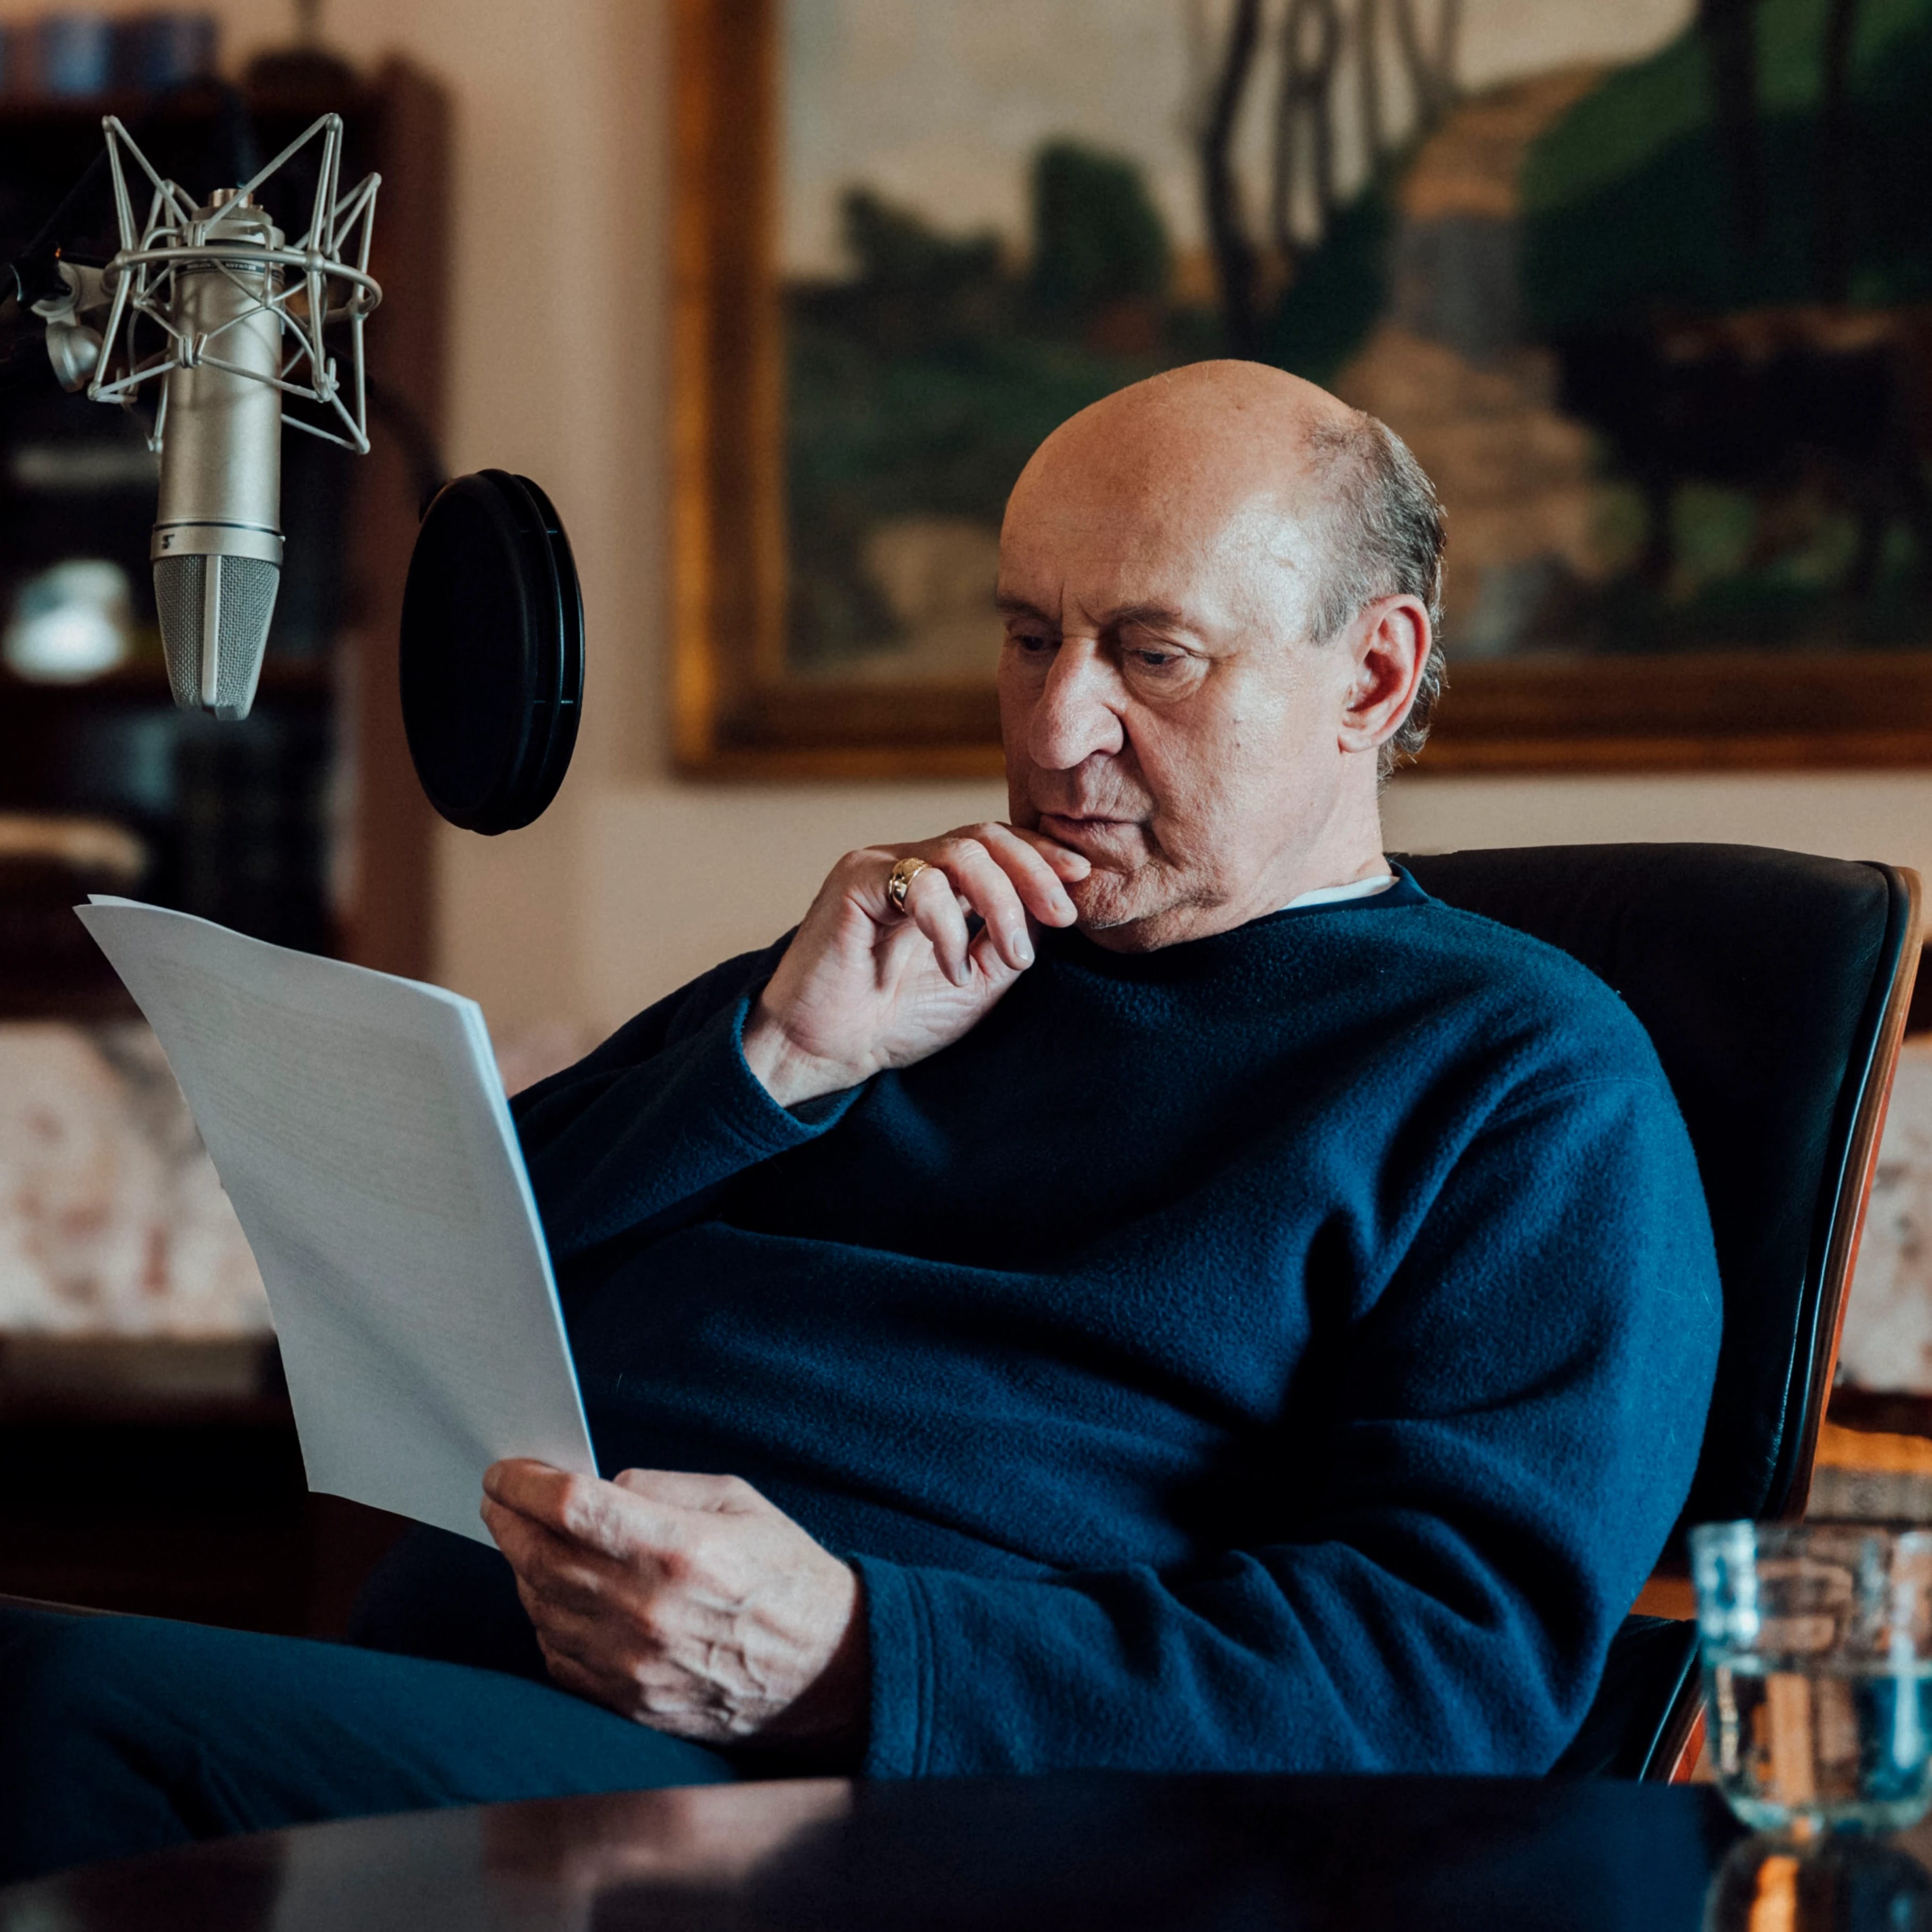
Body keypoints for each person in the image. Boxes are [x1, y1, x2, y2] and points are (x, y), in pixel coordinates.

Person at [0, 361, 1721, 1880]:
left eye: (1152, 653)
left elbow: (1444, 1679)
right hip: (467, 1689)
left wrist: (855, 1651)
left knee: (47, 1704)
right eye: (1028, 633)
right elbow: (419, 1279)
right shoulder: (909, 952)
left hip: (878, 1801)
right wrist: (774, 1053)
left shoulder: (1525, 1079)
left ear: (1370, 675)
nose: (1055, 727)